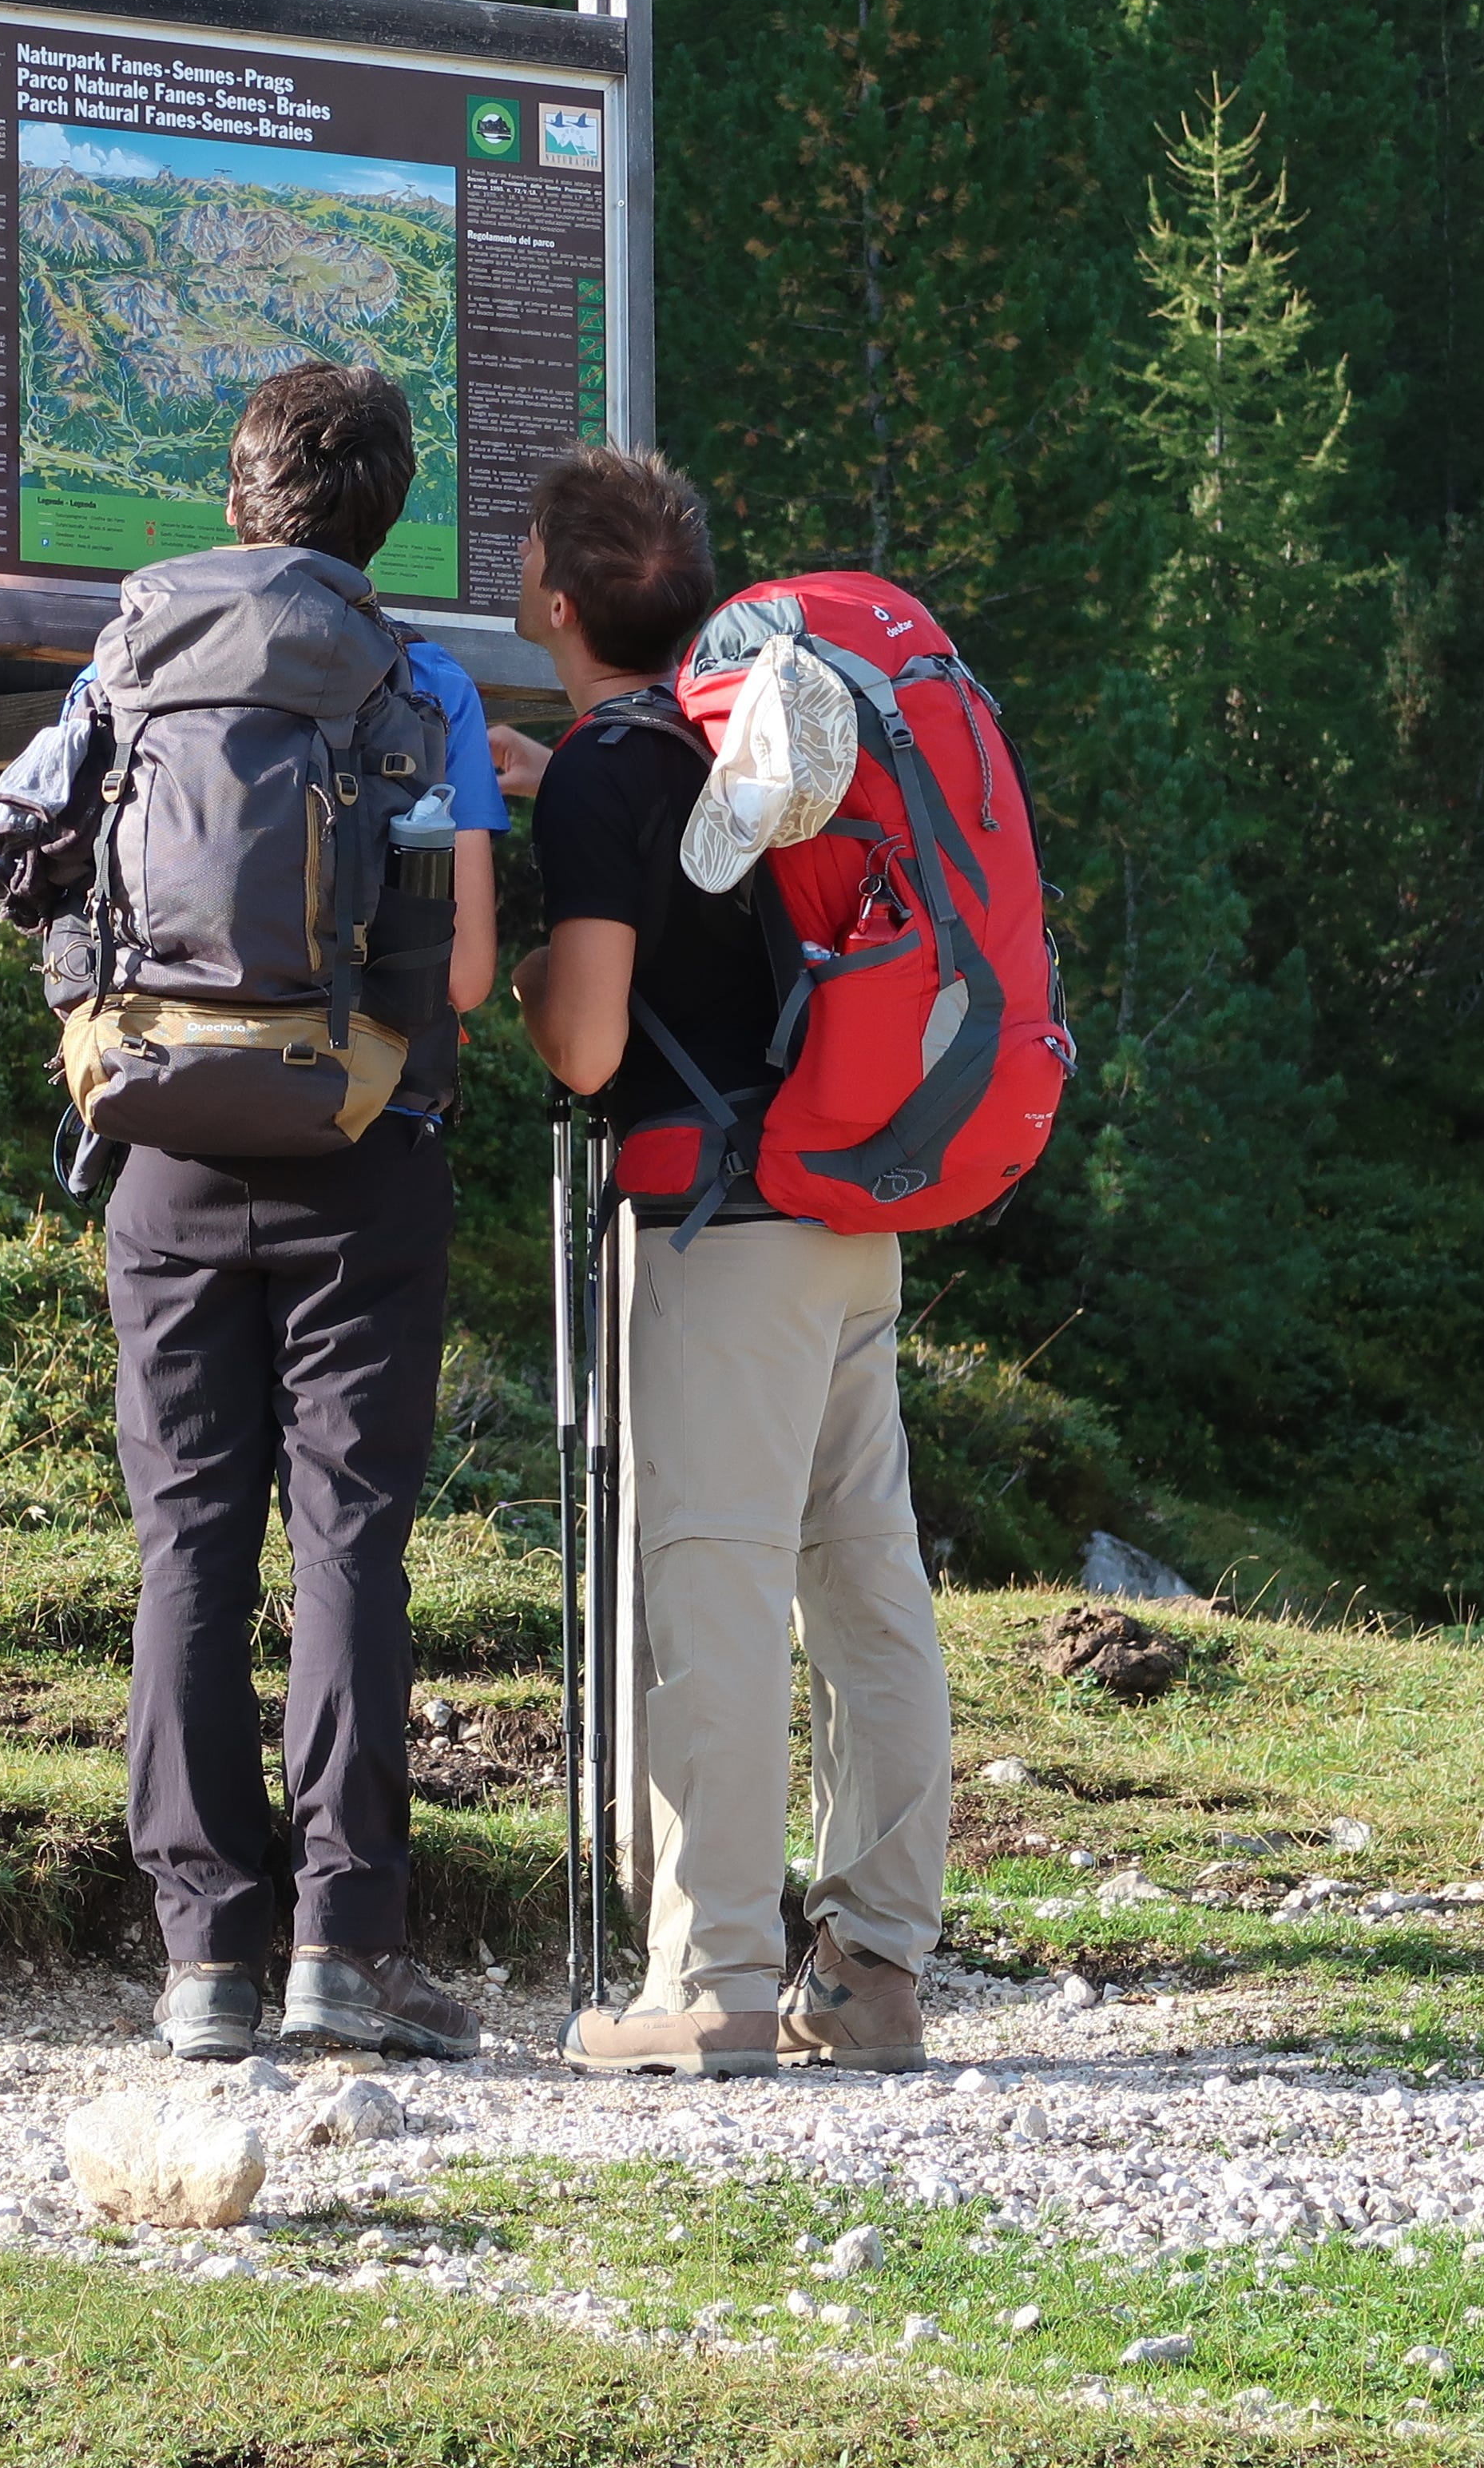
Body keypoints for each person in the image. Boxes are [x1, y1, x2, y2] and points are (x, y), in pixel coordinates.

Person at [502, 445, 953, 2077]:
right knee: (864, 1584)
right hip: (844, 1208)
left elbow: (588, 1040)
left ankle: (710, 1983)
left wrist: (536, 952)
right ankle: (875, 1973)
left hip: (716, 1233)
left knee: (710, 1575)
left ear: (554, 600)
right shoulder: (748, 732)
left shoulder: (612, 775)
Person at [103, 365, 500, 2066]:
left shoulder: (127, 657)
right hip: (363, 1147)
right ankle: (345, 1944)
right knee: (347, 1542)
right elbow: (468, 966)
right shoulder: (426, 686)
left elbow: (42, 862)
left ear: (240, 493)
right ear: (386, 512)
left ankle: (203, 1961)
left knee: (188, 1538)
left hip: (168, 1148)